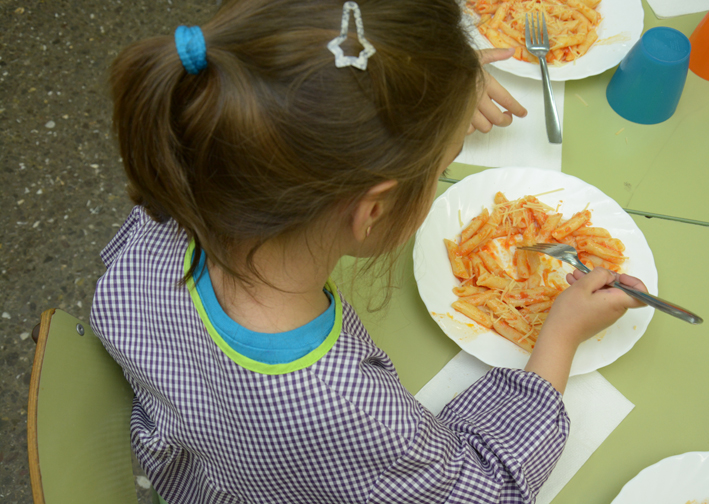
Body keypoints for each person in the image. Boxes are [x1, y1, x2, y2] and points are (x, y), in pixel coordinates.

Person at [90, 1, 648, 503]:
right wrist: (560, 337)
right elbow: (483, 490)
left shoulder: (189, 182)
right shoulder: (345, 405)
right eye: (441, 165)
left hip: (187, 436)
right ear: (372, 210)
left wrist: (432, 96)